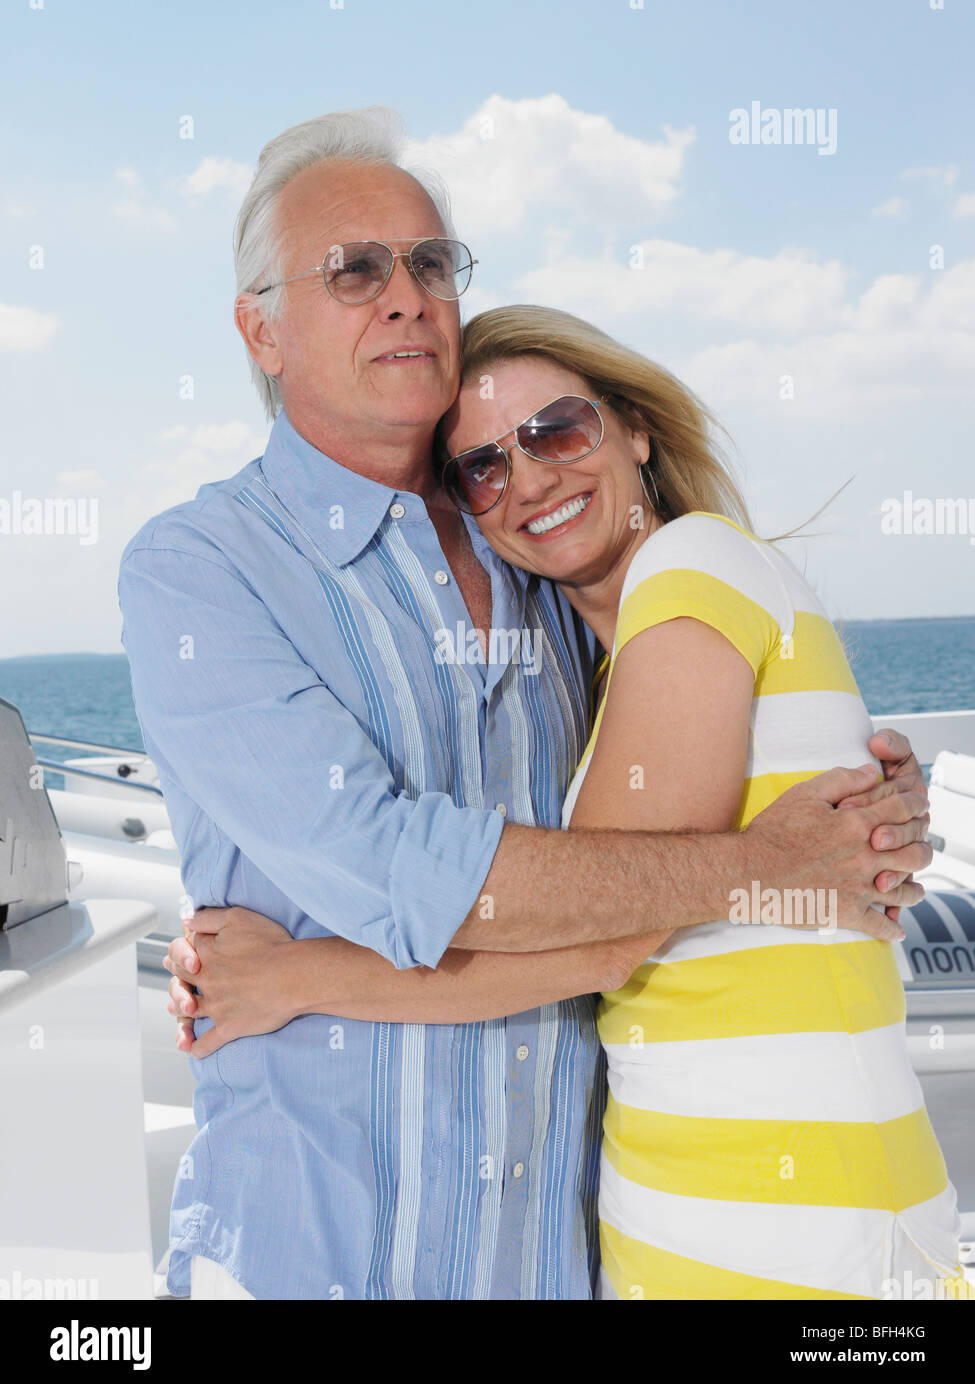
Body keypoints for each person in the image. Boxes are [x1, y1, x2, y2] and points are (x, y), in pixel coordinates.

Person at [125, 108, 931, 1302]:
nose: (405, 295)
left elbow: (612, 913)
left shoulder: (547, 561)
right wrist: (767, 860)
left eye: (431, 263)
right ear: (261, 329)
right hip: (321, 1257)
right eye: (354, 269)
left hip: (565, 1260)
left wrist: (293, 973)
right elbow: (398, 863)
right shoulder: (203, 569)